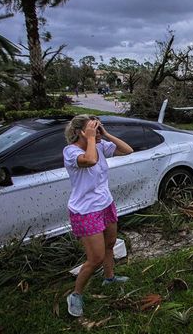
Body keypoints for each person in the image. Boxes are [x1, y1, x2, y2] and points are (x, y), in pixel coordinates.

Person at [63, 114, 134, 317]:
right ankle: (75, 295)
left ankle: (109, 277)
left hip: (105, 204)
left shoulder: (101, 145)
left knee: (110, 244)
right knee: (95, 258)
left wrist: (105, 134)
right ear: (79, 132)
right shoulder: (70, 151)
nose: (96, 130)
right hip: (85, 211)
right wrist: (92, 138)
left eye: (97, 127)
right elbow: (90, 160)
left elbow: (128, 150)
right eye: (92, 128)